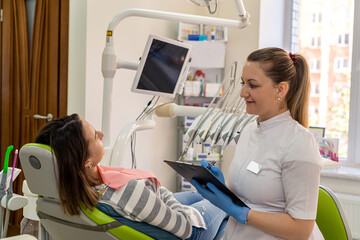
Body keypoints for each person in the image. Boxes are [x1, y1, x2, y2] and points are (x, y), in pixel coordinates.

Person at [192, 47, 324, 240]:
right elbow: (249, 196)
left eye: (252, 85)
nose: (242, 93)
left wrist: (242, 213)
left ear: (280, 89)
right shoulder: (249, 130)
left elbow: (301, 230)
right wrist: (220, 187)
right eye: (243, 83)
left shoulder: (300, 143)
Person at [34, 113, 228, 240]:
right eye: (94, 136)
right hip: (191, 232)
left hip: (148, 207)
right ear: (86, 162)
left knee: (199, 196)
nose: (101, 134)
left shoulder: (68, 192)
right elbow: (185, 228)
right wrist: (167, 199)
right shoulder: (127, 192)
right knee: (226, 198)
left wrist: (161, 197)